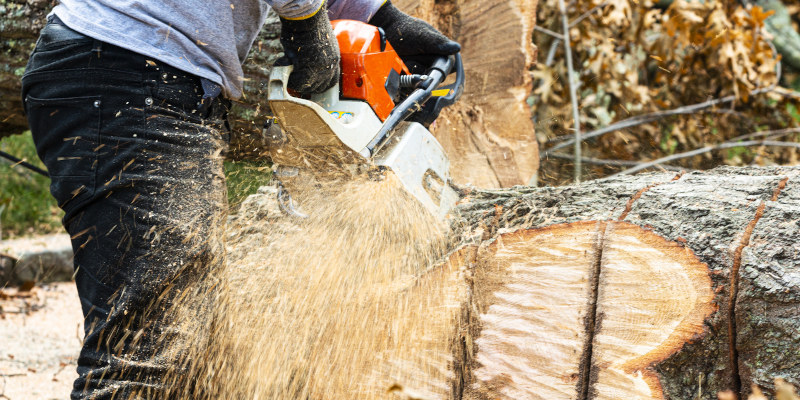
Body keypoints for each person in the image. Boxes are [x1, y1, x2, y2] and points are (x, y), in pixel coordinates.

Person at [20, 0, 460, 398]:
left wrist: (381, 19)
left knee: (193, 350)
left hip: (142, 73)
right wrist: (306, 20)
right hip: (128, 72)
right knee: (150, 357)